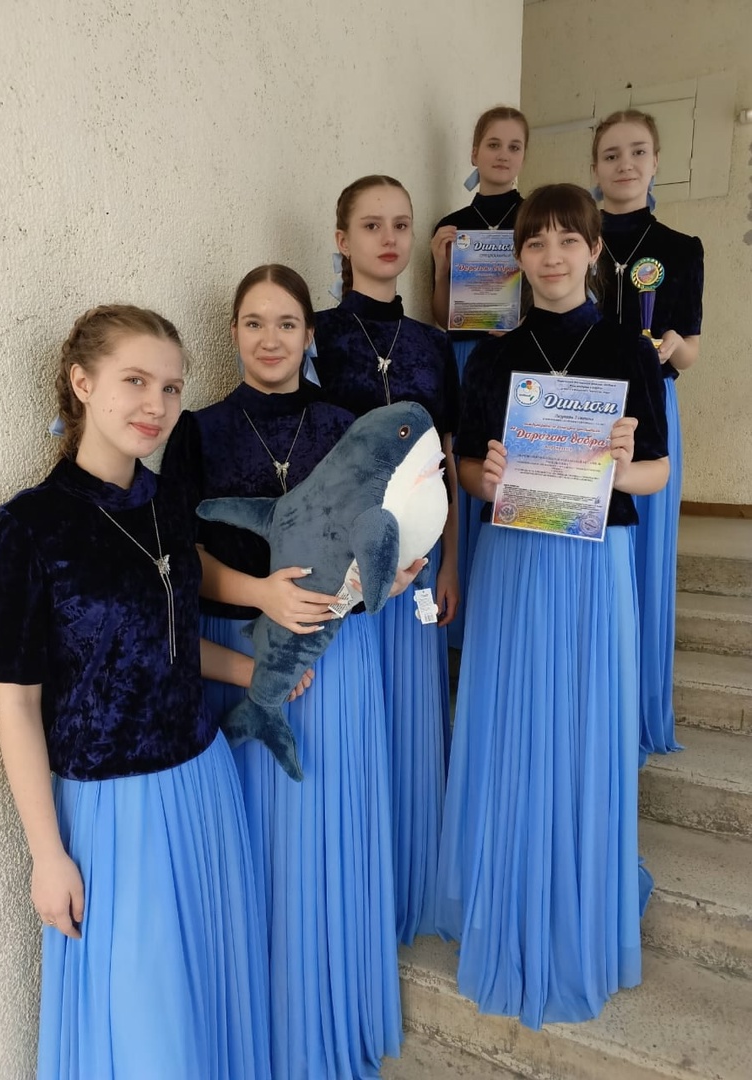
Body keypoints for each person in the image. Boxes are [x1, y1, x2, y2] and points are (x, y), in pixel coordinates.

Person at [0, 305, 271, 1077]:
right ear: (82, 384)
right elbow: (15, 703)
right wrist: (47, 855)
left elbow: (165, 645)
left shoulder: (170, 502)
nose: (157, 405)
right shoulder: (28, 528)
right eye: (135, 381)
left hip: (204, 782)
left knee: (207, 1003)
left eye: (171, 387)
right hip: (112, 812)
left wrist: (254, 671)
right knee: (147, 1027)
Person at [160, 265, 403, 1080]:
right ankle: (261, 1018)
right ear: (233, 332)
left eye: (287, 323)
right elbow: (180, 554)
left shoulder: (347, 422)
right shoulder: (196, 432)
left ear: (309, 334)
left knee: (325, 823)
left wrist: (394, 570)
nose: (271, 340)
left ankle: (325, 1005)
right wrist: (261, 592)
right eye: (255, 323)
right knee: (257, 838)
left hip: (339, 655)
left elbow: (395, 527)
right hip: (239, 649)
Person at [436, 184, 669, 1030]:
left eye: (570, 240)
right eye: (537, 242)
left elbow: (657, 472)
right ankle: (509, 878)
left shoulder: (629, 349)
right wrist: (485, 477)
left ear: (595, 252)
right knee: (513, 719)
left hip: (594, 563)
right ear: (520, 257)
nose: (553, 255)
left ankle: (577, 892)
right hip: (514, 559)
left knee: (581, 723)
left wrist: (622, 466)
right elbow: (466, 469)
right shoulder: (494, 357)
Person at [312, 175, 459, 945]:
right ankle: (361, 891)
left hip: (422, 564)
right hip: (345, 568)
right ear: (342, 239)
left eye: (401, 224)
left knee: (410, 723)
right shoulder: (315, 335)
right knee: (358, 726)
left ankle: (408, 879)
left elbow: (448, 456)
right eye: (372, 225)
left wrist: (452, 562)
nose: (390, 238)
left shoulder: (434, 343)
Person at [591, 109, 704, 759]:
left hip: (651, 407)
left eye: (637, 152)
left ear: (656, 161)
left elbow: (691, 352)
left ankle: (634, 712)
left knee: (641, 561)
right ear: (595, 167)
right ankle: (591, 701)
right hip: (581, 413)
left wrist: (669, 345)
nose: (625, 164)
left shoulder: (681, 248)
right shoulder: (573, 238)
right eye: (611, 154)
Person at [430, 106, 529, 648]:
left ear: (524, 157)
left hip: (515, 362)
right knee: (462, 468)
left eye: (514, 146)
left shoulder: (535, 221)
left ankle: (497, 619)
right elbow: (441, 314)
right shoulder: (452, 225)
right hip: (464, 356)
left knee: (500, 473)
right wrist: (442, 266)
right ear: (474, 152)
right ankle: (457, 623)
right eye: (493, 144)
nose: (502, 155)